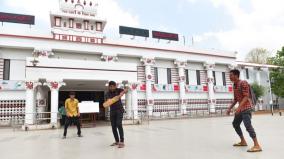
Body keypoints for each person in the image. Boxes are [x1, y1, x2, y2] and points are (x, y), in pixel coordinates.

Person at [226, 69, 262, 152]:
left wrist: (238, 108)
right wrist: (229, 108)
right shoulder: (234, 85)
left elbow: (246, 97)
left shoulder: (243, 83)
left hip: (247, 108)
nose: (229, 77)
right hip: (241, 108)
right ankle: (243, 141)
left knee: (248, 126)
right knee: (235, 124)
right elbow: (235, 99)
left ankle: (257, 145)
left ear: (236, 75)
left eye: (231, 75)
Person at [105, 81, 128, 148]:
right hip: (112, 111)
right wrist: (116, 98)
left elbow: (126, 90)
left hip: (119, 110)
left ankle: (122, 141)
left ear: (115, 86)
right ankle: (117, 141)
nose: (112, 88)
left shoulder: (118, 90)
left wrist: (124, 90)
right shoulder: (107, 93)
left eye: (113, 86)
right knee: (113, 126)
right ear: (109, 87)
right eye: (110, 86)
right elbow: (109, 101)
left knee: (119, 124)